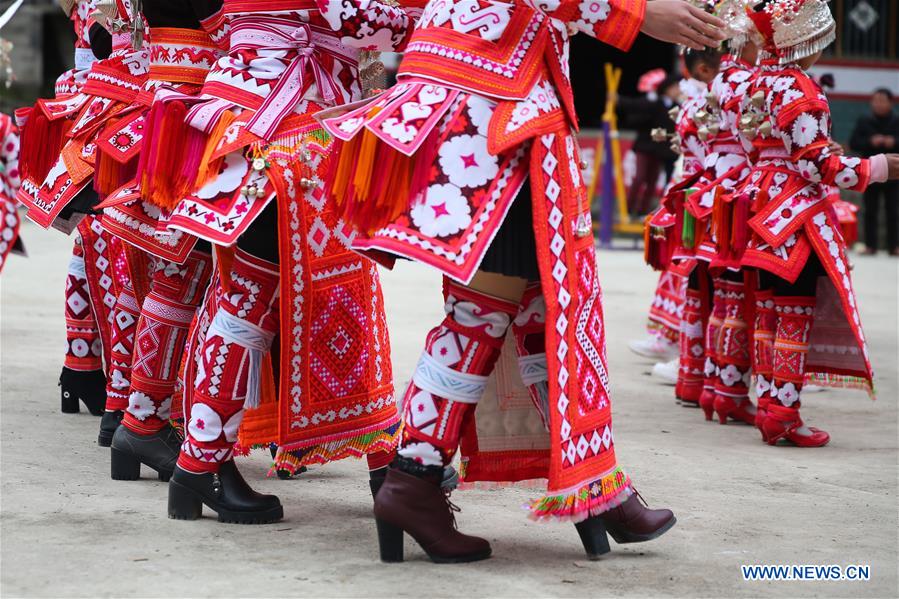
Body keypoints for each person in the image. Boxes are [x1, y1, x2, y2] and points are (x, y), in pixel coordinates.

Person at [322, 0, 725, 563]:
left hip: (490, 83)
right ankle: (413, 476)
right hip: (493, 96)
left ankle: (595, 481)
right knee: (486, 307)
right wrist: (632, 12)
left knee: (540, 306)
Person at [161, 0, 419, 524]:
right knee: (281, 295)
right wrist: (434, 21)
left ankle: (199, 464)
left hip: (247, 112)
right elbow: (355, 17)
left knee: (249, 295)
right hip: (294, 124)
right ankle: (201, 462)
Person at [743, 0, 899, 446]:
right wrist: (876, 168)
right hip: (795, 214)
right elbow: (815, 164)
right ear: (805, 41)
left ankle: (770, 405)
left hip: (759, 207)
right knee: (794, 312)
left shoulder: (759, 82)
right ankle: (784, 414)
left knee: (769, 311)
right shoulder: (799, 89)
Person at [617, 73, 682, 216]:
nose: (678, 90)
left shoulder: (677, 107)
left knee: (652, 182)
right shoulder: (654, 101)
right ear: (667, 88)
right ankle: (627, 210)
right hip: (644, 146)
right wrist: (618, 99)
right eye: (675, 87)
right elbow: (634, 106)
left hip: (659, 150)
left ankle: (642, 212)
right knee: (639, 177)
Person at [849, 88, 899, 255]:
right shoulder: (864, 120)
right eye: (875, 101)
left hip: (895, 173)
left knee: (894, 211)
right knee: (870, 210)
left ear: (890, 103)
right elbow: (854, 142)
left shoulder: (897, 120)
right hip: (871, 172)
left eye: (882, 101)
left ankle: (895, 246)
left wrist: (894, 142)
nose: (878, 104)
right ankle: (870, 246)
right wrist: (871, 141)